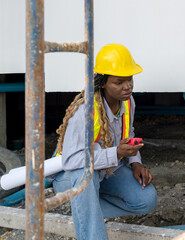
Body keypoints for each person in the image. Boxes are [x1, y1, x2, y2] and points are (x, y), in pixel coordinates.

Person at [52, 43, 157, 240]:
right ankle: (92, 228)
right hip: (70, 175)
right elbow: (72, 161)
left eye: (129, 79)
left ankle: (85, 210)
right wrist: (116, 153)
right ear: (102, 83)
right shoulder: (85, 111)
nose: (127, 87)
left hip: (105, 171)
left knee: (146, 199)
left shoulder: (128, 101)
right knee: (86, 176)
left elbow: (129, 132)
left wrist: (136, 163)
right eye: (119, 82)